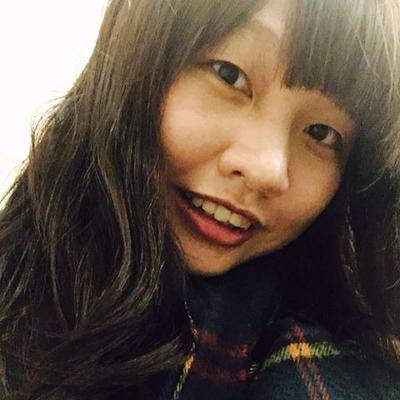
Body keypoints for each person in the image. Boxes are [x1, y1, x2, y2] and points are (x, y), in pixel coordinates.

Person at [0, 0, 399, 398]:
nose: (267, 170)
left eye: (321, 133)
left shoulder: (330, 369)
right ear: (137, 53)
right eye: (229, 75)